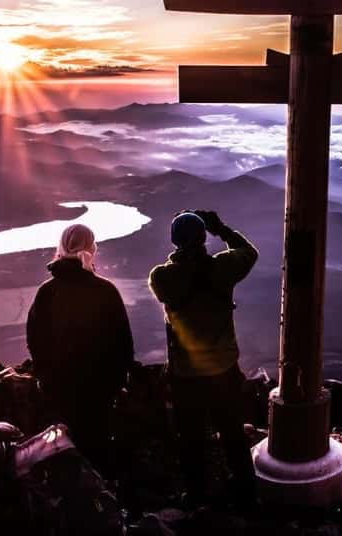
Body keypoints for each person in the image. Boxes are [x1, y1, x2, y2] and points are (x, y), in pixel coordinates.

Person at [149, 210, 258, 507]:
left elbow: (172, 281)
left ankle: (197, 496)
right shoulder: (224, 268)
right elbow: (249, 252)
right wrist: (220, 228)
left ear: (175, 241)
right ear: (202, 237)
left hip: (185, 374)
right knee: (232, 433)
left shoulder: (162, 277)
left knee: (191, 437)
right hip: (223, 369)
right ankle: (246, 493)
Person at [26, 224, 134, 476]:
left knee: (68, 447)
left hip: (61, 387)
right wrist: (118, 381)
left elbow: (35, 340)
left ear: (62, 248)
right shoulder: (105, 290)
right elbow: (122, 342)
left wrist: (46, 378)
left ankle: (74, 493)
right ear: (91, 248)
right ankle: (103, 492)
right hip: (100, 388)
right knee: (99, 446)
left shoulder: (47, 292)